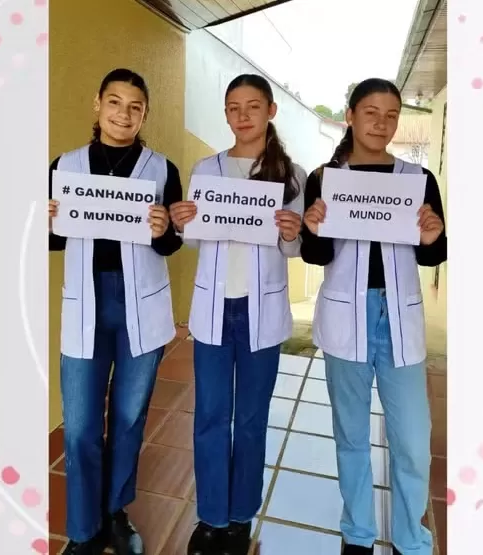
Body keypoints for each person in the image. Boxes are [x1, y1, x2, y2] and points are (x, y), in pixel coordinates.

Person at [299, 78, 447, 555]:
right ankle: (357, 534)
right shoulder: (326, 179)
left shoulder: (418, 181)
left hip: (399, 319)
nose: (381, 124)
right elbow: (316, 254)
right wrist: (312, 229)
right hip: (347, 317)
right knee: (351, 435)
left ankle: (411, 538)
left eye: (391, 115)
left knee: (412, 439)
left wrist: (433, 238)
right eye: (371, 113)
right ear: (350, 116)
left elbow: (432, 254)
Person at [47, 68, 183, 555]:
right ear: (97, 104)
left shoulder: (161, 169)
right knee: (81, 425)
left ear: (144, 114)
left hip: (140, 306)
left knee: (127, 417)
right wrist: (46, 221)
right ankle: (84, 529)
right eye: (114, 102)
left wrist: (164, 228)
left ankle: (115, 511)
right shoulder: (65, 167)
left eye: (134, 107)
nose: (123, 114)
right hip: (86, 304)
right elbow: (53, 241)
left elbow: (171, 243)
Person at [169, 74, 306, 555]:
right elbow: (194, 239)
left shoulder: (291, 175)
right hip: (213, 308)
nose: (242, 115)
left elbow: (294, 249)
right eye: (233, 107)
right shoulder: (207, 169)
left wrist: (291, 231)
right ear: (226, 114)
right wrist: (183, 222)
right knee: (210, 415)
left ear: (271, 110)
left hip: (261, 312)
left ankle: (240, 516)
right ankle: (211, 517)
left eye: (252, 106)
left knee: (250, 418)